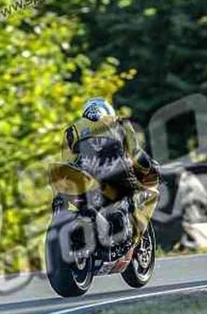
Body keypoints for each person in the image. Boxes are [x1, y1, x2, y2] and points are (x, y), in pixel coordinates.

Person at [61, 97, 160, 244]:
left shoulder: (72, 131)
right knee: (152, 193)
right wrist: (150, 167)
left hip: (85, 180)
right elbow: (135, 154)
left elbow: (67, 162)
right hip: (117, 176)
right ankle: (134, 238)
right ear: (108, 111)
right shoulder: (120, 123)